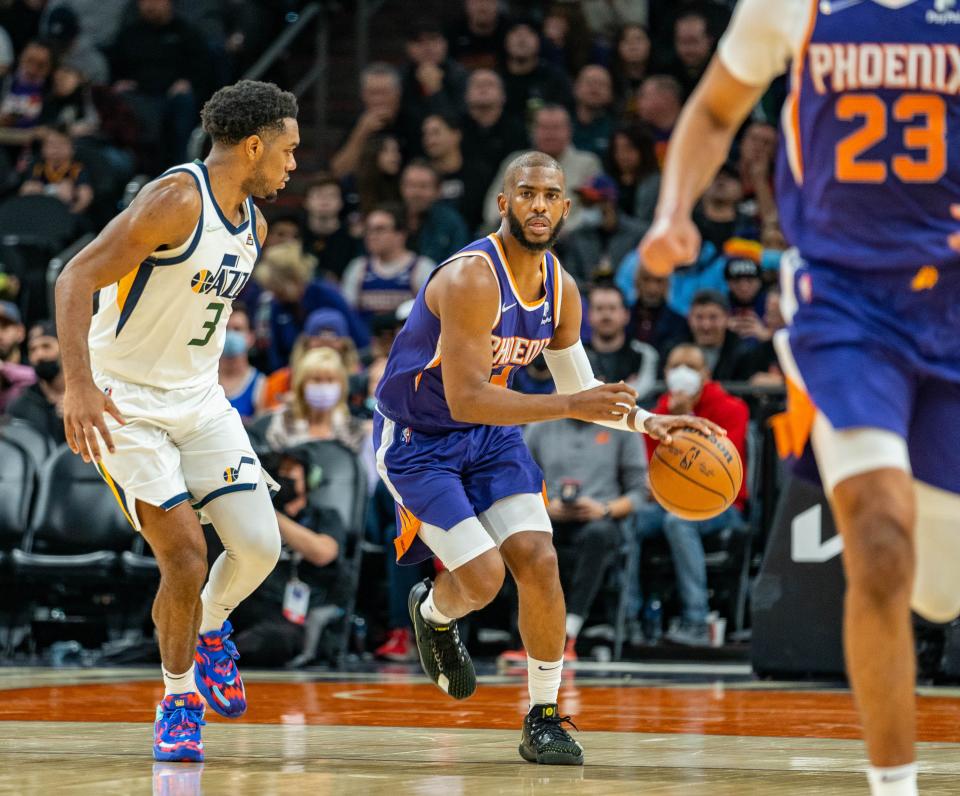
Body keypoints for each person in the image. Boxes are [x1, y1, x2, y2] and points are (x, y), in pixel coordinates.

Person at [638, 2, 960, 792]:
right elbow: (716, 107)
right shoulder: (792, 3)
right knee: (880, 544)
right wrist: (674, 210)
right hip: (845, 307)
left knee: (939, 589)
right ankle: (896, 786)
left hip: (951, 299)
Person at [374, 149, 722, 765]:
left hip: (489, 438)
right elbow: (471, 396)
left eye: (551, 195)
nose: (539, 205)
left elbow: (580, 386)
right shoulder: (471, 278)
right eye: (527, 194)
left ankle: (543, 714)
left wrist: (647, 422)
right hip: (419, 440)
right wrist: (568, 404)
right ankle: (432, 613)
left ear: (565, 206)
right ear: (504, 203)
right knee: (480, 581)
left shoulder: (561, 288)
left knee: (538, 558)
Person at [54, 80, 299, 763]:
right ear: (253, 145)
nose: (293, 163)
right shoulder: (174, 202)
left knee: (258, 548)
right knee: (186, 556)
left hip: (197, 399)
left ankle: (213, 630)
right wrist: (78, 386)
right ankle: (178, 697)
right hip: (123, 401)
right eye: (288, 149)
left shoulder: (255, 223)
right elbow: (74, 279)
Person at [635, 343, 749, 646]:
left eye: (691, 367)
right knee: (631, 521)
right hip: (667, 503)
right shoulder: (657, 413)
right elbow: (651, 470)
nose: (682, 374)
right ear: (665, 373)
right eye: (675, 366)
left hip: (723, 505)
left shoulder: (732, 408)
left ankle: (696, 622)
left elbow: (725, 472)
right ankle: (630, 620)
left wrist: (688, 422)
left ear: (706, 375)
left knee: (678, 522)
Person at [516, 414, 646, 662]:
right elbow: (519, 479)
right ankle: (530, 635)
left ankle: (568, 634)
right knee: (521, 537)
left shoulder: (621, 427)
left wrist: (605, 509)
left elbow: (640, 491)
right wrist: (544, 505)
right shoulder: (539, 425)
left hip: (600, 519)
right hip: (549, 517)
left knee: (597, 535)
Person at [228, 449, 347, 666]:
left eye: (291, 471)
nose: (284, 476)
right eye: (280, 471)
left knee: (271, 640)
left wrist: (272, 515)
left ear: (309, 478)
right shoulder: (256, 517)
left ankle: (224, 652)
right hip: (254, 605)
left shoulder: (326, 516)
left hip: (297, 616)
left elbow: (323, 553)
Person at [483, 105, 602, 236]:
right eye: (544, 128)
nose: (550, 134)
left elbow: (593, 212)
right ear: (533, 131)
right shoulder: (514, 161)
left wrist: (553, 231)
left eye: (556, 128)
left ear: (569, 130)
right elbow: (493, 206)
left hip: (568, 240)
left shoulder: (588, 163)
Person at [341, 205, 435, 326]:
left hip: (408, 343)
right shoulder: (358, 267)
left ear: (401, 234)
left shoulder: (422, 268)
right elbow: (347, 314)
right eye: (368, 230)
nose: (372, 236)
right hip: (368, 343)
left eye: (379, 230)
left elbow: (433, 316)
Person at [555, 174, 647, 286]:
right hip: (586, 300)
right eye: (584, 203)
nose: (585, 209)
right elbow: (571, 278)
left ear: (609, 203)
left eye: (590, 203)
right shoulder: (577, 237)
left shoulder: (638, 234)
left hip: (629, 300)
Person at [584, 284, 658, 400]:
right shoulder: (578, 355)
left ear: (626, 315)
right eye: (599, 309)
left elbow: (641, 392)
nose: (606, 315)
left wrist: (597, 393)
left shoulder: (645, 354)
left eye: (612, 308)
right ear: (589, 315)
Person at [400, 159, 470, 264]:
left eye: (423, 186)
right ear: (402, 188)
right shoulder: (389, 220)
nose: (416, 193)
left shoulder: (451, 223)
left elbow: (459, 265)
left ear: (438, 190)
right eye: (411, 185)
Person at [8, 320, 66, 445]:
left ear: (63, 349)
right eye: (33, 349)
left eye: (46, 346)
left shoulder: (83, 398)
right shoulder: (20, 407)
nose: (39, 355)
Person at [301, 175, 362, 281]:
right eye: (318, 195)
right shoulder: (296, 236)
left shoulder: (352, 239)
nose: (324, 201)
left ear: (341, 202)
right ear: (306, 202)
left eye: (331, 196)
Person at [218, 304, 264, 422]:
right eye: (225, 328)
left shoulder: (261, 385)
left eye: (237, 329)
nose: (230, 335)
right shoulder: (203, 379)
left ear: (250, 337)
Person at [0, 300, 33, 412]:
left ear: (20, 332)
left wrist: (4, 368)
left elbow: (39, 378)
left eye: (5, 326)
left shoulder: (35, 363)